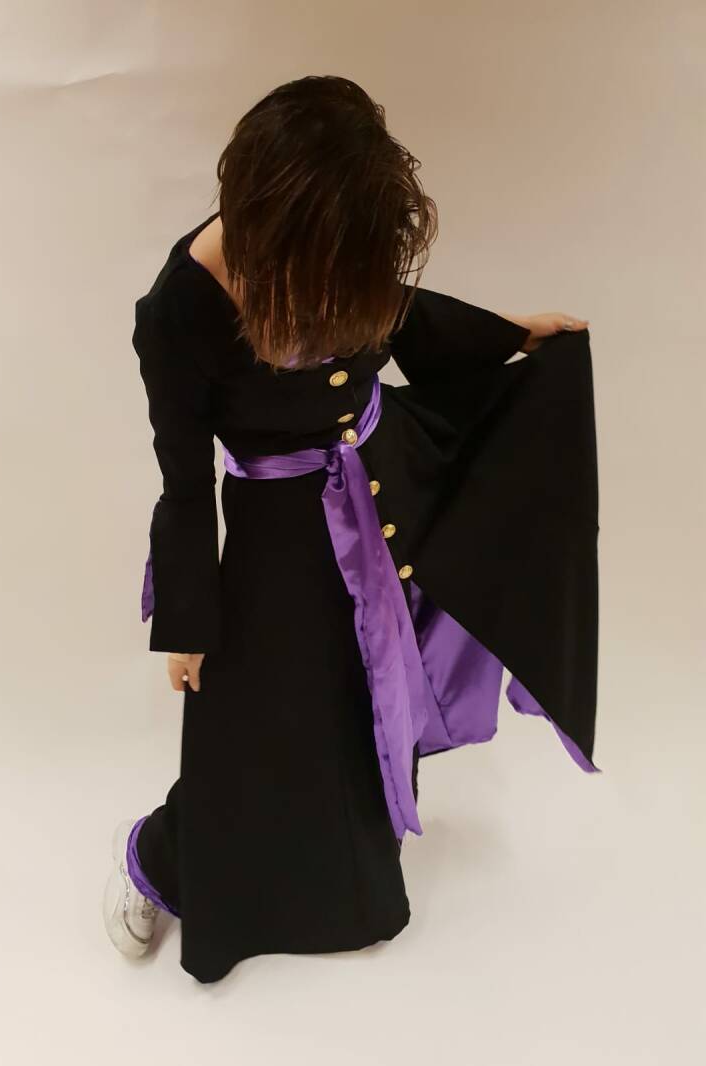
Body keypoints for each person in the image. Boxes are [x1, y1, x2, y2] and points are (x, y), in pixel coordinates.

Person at [102, 75, 599, 983]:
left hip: (388, 486)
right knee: (250, 720)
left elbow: (400, 312)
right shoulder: (181, 309)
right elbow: (183, 477)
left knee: (358, 697)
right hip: (277, 531)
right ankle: (158, 858)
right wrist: (187, 618)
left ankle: (350, 882)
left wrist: (507, 335)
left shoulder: (337, 246)